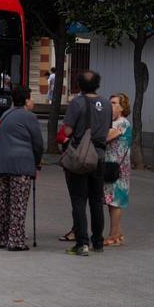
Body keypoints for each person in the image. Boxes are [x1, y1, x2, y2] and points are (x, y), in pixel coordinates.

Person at [61, 70, 111, 256]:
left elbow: (67, 131)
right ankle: (98, 241)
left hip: (81, 157)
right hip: (99, 156)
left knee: (79, 200)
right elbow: (107, 129)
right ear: (97, 84)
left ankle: (82, 243)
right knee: (97, 201)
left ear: (79, 85)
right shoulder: (106, 103)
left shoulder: (77, 102)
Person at [0, 85, 44, 251]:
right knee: (18, 203)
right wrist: (37, 163)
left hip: (1, 164)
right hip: (21, 165)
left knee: (4, 203)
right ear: (27, 100)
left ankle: (1, 237)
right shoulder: (30, 117)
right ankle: (15, 240)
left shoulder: (5, 114)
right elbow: (38, 144)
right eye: (31, 97)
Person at [103, 93, 134, 247]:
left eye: (115, 103)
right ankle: (118, 233)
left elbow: (106, 136)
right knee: (111, 201)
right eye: (110, 103)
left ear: (122, 108)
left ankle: (113, 235)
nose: (111, 106)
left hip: (118, 169)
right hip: (110, 166)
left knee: (115, 202)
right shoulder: (114, 122)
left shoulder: (122, 123)